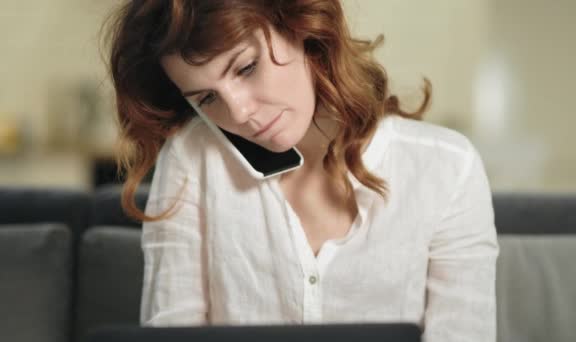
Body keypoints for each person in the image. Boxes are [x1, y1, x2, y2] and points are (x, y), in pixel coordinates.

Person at [104, 0, 499, 341]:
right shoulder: (191, 160)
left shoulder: (448, 169)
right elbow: (172, 334)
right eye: (207, 98)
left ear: (301, 24)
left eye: (245, 68)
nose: (239, 112)